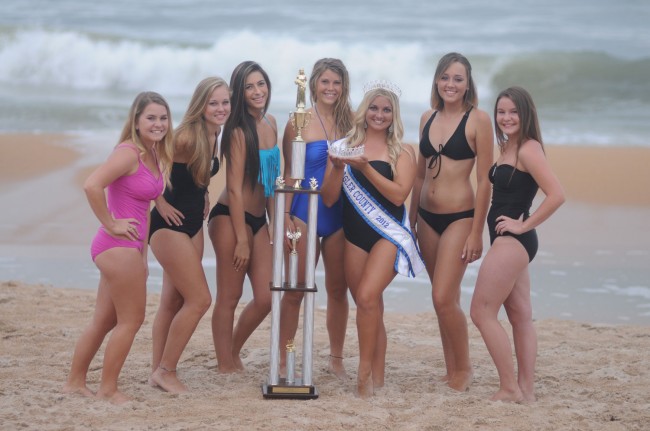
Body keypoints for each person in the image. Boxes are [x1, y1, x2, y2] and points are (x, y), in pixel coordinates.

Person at [63, 91, 173, 404]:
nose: (158, 124)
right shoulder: (128, 152)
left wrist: (143, 254)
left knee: (105, 320)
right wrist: (111, 223)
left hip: (127, 250)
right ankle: (108, 389)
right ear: (136, 121)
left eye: (163, 118)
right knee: (131, 320)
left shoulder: (152, 153)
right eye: (150, 118)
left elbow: (145, 207)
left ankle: (74, 382)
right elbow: (92, 185)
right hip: (115, 245)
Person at [321, 82, 423, 398]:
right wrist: (338, 168)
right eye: (375, 108)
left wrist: (365, 168)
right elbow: (328, 199)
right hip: (354, 235)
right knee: (370, 305)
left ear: (394, 116)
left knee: (366, 297)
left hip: (386, 234)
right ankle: (377, 377)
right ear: (365, 112)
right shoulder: (342, 147)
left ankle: (363, 375)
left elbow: (399, 193)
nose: (379, 115)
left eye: (386, 110)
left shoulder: (403, 151)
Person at [470, 86, 564, 403]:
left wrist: (523, 224)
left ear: (525, 114)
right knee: (520, 316)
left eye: (513, 112)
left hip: (514, 239)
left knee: (481, 311)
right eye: (501, 112)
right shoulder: (508, 145)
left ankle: (509, 388)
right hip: (508, 240)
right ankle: (526, 391)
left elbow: (557, 195)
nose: (506, 118)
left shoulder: (528, 148)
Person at [409, 52, 494, 391]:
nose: (451, 84)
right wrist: (412, 219)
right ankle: (452, 367)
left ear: (468, 83)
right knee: (442, 297)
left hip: (460, 218)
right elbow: (418, 176)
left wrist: (477, 231)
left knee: (443, 297)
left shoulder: (479, 120)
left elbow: (486, 180)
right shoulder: (427, 117)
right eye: (445, 77)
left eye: (458, 78)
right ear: (437, 80)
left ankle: (465, 369)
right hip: (427, 219)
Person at [148, 77, 230, 392]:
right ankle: (166, 370)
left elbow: (193, 173)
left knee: (173, 299)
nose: (220, 108)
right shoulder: (184, 136)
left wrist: (205, 191)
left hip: (194, 222)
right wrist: (160, 201)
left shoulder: (215, 133)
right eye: (213, 103)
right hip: (169, 226)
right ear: (200, 105)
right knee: (199, 299)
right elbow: (146, 158)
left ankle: (157, 370)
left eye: (224, 102)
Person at [279, 58, 354, 379]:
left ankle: (336, 357)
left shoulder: (353, 122)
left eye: (336, 83)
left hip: (339, 214)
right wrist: (283, 216)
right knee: (295, 289)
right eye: (325, 82)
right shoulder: (298, 121)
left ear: (344, 86)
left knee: (338, 290)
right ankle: (283, 358)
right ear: (313, 85)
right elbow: (288, 174)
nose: (330, 88)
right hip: (303, 212)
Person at [207, 61, 279, 373]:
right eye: (249, 86)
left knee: (266, 296)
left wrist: (274, 225)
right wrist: (241, 240)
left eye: (261, 84)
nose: (257, 91)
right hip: (229, 218)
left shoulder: (272, 123)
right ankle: (226, 364)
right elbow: (234, 190)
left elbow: (272, 183)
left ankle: (231, 350)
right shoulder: (237, 132)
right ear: (240, 93)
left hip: (259, 218)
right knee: (230, 295)